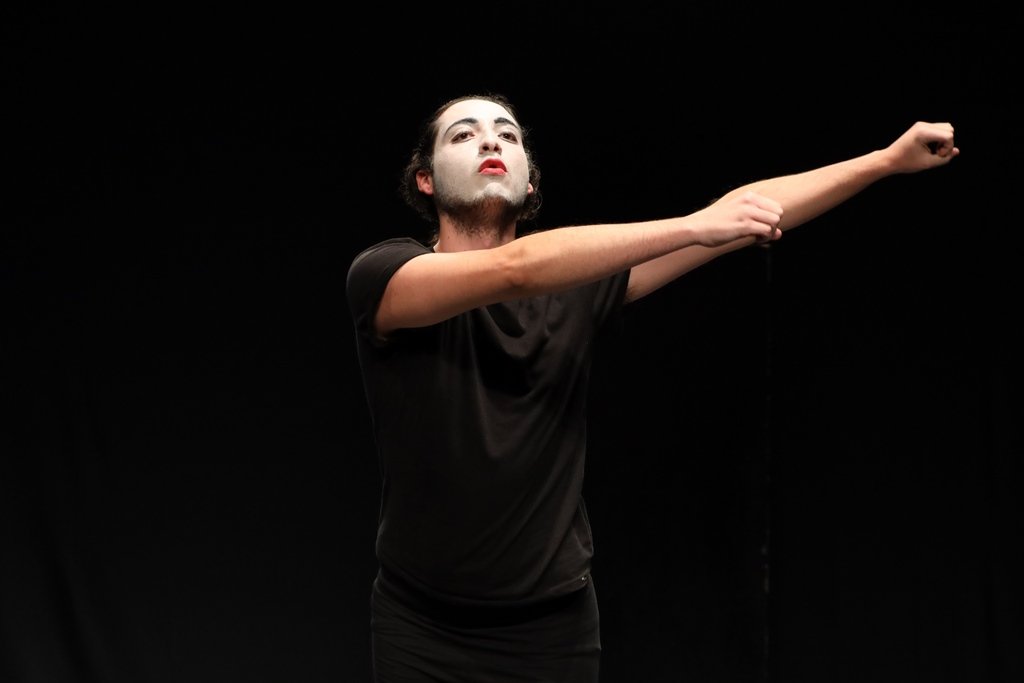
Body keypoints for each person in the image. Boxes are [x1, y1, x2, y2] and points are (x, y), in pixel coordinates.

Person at [346, 92, 958, 682]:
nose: (490, 141)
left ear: (530, 185)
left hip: (550, 629)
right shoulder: (383, 274)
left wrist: (885, 160)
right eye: (464, 134)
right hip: (422, 625)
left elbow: (747, 211)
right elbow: (516, 270)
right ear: (425, 180)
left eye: (507, 135)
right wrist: (693, 226)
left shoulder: (577, 284)